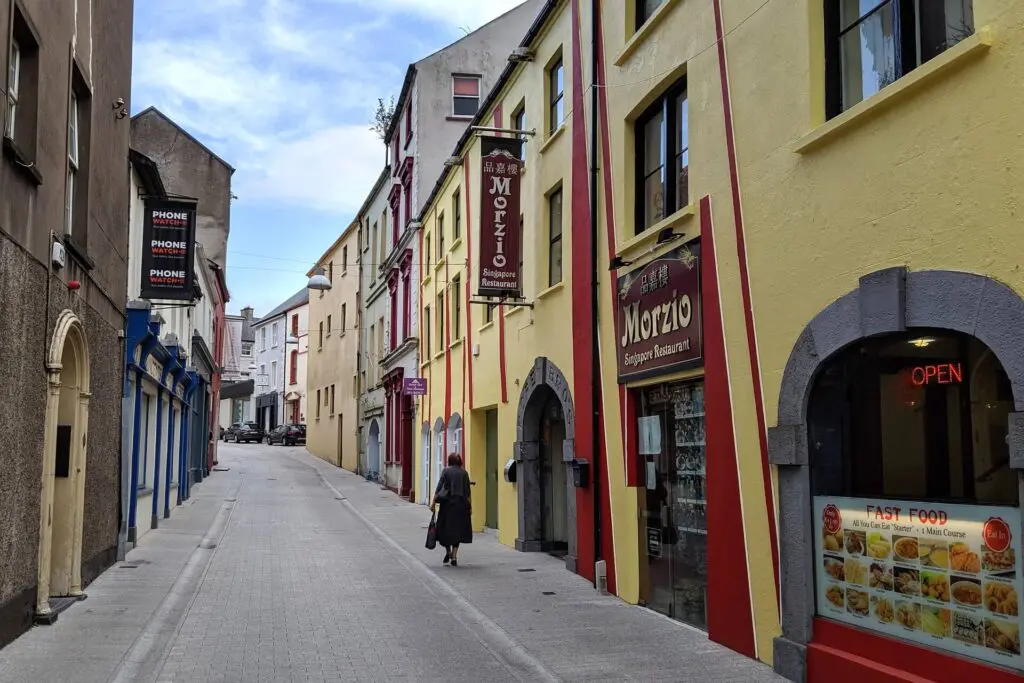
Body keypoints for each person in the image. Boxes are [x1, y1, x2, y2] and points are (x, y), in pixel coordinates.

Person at [431, 453, 473, 566]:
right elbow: (468, 492)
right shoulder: (464, 473)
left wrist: (433, 502)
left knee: (444, 529)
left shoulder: (446, 471)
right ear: (460, 462)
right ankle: (454, 557)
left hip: (447, 505)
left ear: (449, 461)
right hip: (461, 506)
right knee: (457, 531)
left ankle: (448, 550)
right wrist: (470, 507)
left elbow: (440, 487)